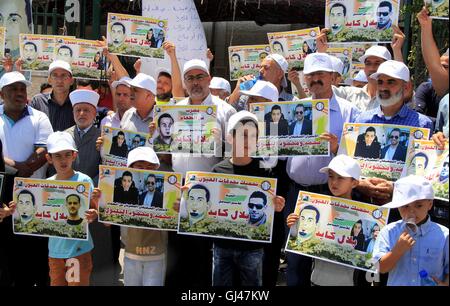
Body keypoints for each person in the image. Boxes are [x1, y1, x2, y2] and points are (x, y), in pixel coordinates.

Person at [285, 53, 359, 286]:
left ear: (333, 77)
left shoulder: (349, 111)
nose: (316, 79)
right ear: (305, 79)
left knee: (326, 257)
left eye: (321, 74)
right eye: (311, 75)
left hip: (330, 193)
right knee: (296, 256)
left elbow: (356, 157)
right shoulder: (294, 109)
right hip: (295, 193)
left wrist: (338, 147)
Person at [9, 131, 101, 286]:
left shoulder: (84, 181)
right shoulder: (46, 184)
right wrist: (16, 209)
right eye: (57, 156)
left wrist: (94, 213)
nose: (63, 160)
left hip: (78, 251)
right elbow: (35, 214)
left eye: (67, 154)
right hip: (55, 252)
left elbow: (94, 210)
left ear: (74, 155)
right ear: (49, 158)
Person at [211, 110, 285, 286]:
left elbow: (270, 209)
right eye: (243, 135)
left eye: (253, 136)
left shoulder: (265, 172)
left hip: (253, 249)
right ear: (230, 138)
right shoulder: (217, 171)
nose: (248, 141)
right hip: (222, 247)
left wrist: (277, 206)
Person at [354, 60, 433, 205]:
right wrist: (360, 184)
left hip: (402, 205)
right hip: (364, 202)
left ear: (407, 86)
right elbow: (351, 163)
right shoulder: (362, 119)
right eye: (380, 82)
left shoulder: (422, 124)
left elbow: (422, 171)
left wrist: (396, 188)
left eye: (391, 82)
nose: (384, 87)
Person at [0, 71, 53, 286]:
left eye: (22, 89)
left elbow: (44, 149)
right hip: (2, 195)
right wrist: (16, 168)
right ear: (2, 93)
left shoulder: (39, 117)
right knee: (5, 254)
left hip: (33, 193)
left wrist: (23, 169)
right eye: (14, 89)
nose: (20, 93)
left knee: (33, 254)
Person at [287, 154, 361, 286]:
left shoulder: (363, 212)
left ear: (354, 182)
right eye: (331, 176)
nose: (334, 182)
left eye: (340, 178)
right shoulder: (318, 204)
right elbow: (301, 241)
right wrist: (294, 225)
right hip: (317, 279)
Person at [372, 175, 449, 286]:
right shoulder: (389, 231)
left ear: (430, 204)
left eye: (418, 206)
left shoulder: (444, 235)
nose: (411, 212)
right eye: (405, 206)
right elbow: (381, 268)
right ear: (398, 206)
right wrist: (397, 250)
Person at [122, 146, 172, 286]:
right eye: (140, 167)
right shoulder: (130, 195)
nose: (145, 170)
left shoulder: (166, 195)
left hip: (156, 254)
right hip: (131, 253)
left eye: (149, 167)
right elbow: (108, 221)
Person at [229, 53, 299, 111]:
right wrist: (237, 89)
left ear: (280, 74)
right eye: (260, 67)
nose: (260, 71)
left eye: (266, 68)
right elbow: (226, 114)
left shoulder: (292, 102)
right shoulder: (246, 98)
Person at [31, 60, 76, 132]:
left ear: (71, 81)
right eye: (55, 75)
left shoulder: (78, 103)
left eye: (63, 75)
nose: (59, 81)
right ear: (49, 80)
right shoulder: (38, 102)